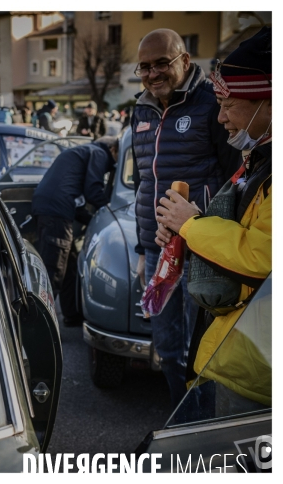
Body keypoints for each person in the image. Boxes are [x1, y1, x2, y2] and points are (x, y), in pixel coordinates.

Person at [154, 27, 272, 416]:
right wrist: (185, 230)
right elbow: (243, 231)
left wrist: (192, 225)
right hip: (246, 358)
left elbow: (263, 257)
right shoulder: (259, 158)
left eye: (229, 104)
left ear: (270, 104)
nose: (220, 117)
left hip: (262, 369)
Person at [131, 28, 240, 414]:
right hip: (159, 249)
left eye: (162, 63)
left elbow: (235, 179)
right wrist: (143, 247)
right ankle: (183, 416)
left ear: (185, 61)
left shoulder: (211, 103)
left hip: (203, 249)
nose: (153, 72)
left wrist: (207, 226)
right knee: (167, 347)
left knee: (204, 349)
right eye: (145, 66)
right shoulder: (140, 109)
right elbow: (144, 183)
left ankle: (202, 429)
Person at [31, 136, 118, 326]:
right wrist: (112, 214)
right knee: (53, 271)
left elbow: (76, 202)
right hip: (56, 213)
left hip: (48, 208)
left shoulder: (82, 151)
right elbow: (93, 190)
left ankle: (71, 316)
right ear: (113, 149)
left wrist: (93, 219)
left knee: (69, 267)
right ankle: (39, 327)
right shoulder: (99, 153)